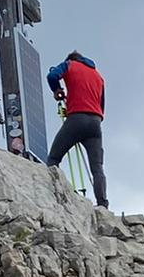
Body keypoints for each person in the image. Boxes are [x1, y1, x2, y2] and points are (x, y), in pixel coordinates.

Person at [44, 50, 109, 209]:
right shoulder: (98, 76)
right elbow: (101, 106)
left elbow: (52, 76)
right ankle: (102, 204)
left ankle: (54, 194)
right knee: (97, 167)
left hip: (76, 120)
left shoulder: (69, 65)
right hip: (95, 123)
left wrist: (57, 90)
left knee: (53, 159)